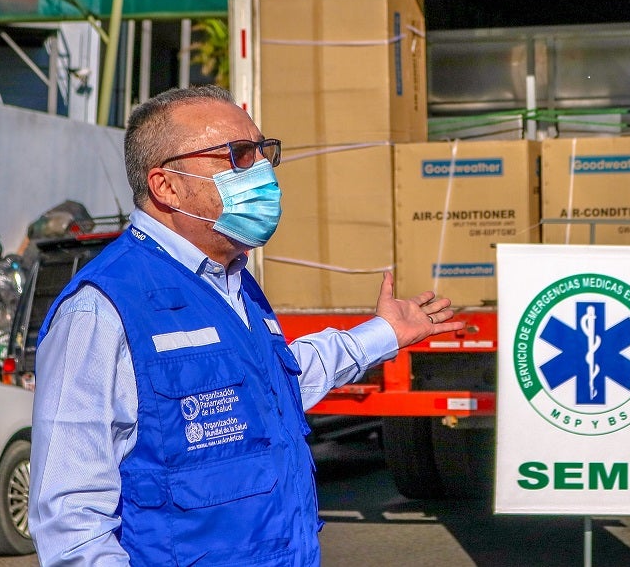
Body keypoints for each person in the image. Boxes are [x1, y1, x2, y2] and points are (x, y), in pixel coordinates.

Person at [28, 86, 464, 566]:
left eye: (263, 153)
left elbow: (274, 386)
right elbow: (71, 520)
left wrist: (382, 333)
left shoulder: (234, 282)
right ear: (166, 186)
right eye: (237, 156)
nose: (260, 171)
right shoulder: (99, 309)